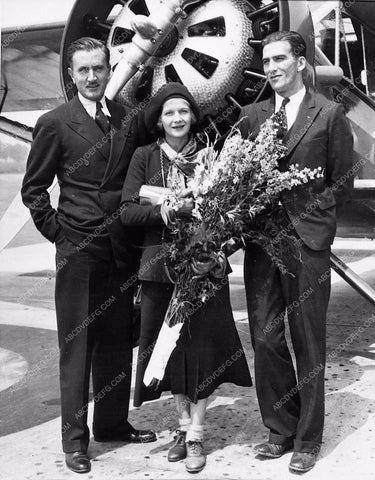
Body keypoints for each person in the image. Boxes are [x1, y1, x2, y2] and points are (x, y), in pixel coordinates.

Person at [21, 37, 156, 474]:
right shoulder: (55, 123)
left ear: (108, 67)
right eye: (84, 70)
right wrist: (60, 235)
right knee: (77, 347)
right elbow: (34, 190)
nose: (93, 77)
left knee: (118, 342)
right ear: (72, 75)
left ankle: (112, 424)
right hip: (78, 251)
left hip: (121, 248)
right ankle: (75, 442)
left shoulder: (125, 118)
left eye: (99, 68)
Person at [120, 82, 252, 474]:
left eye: (183, 111)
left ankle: (196, 433)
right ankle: (180, 428)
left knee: (202, 350)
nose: (177, 119)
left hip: (205, 269)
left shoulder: (210, 156)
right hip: (160, 269)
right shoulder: (145, 157)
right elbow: (127, 211)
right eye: (168, 113)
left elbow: (235, 212)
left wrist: (216, 244)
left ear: (193, 116)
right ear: (159, 121)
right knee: (171, 351)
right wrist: (169, 211)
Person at [238, 31, 353, 473]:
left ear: (301, 62)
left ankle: (307, 439)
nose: (270, 68)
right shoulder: (251, 116)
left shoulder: (328, 113)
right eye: (265, 61)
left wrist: (317, 222)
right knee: (265, 338)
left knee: (308, 341)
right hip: (263, 244)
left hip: (307, 242)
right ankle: (279, 429)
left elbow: (340, 180)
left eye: (279, 59)